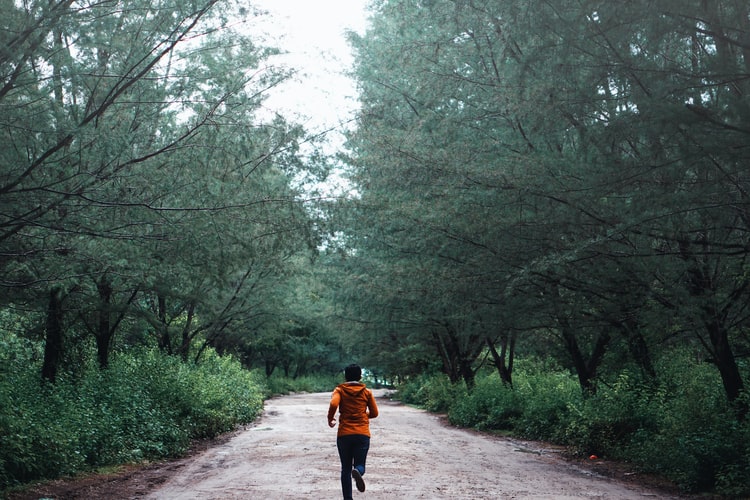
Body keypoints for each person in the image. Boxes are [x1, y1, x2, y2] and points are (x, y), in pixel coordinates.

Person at [328, 364, 379, 499]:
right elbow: (374, 413)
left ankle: (348, 498)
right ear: (360, 376)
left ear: (345, 376)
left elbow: (334, 404)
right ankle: (358, 472)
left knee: (345, 468)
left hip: (344, 434)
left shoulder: (339, 390)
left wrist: (330, 418)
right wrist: (362, 415)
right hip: (362, 433)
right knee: (360, 464)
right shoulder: (366, 392)